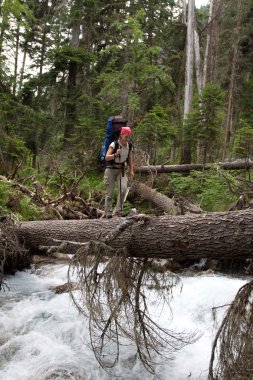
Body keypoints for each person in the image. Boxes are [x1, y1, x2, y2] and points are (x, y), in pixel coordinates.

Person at [104, 126, 134, 218]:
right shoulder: (114, 144)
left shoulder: (129, 145)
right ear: (121, 135)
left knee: (123, 189)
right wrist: (116, 154)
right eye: (126, 136)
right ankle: (108, 212)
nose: (128, 138)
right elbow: (107, 157)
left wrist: (132, 170)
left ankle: (118, 212)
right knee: (109, 193)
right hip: (110, 170)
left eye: (129, 136)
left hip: (121, 170)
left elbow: (129, 158)